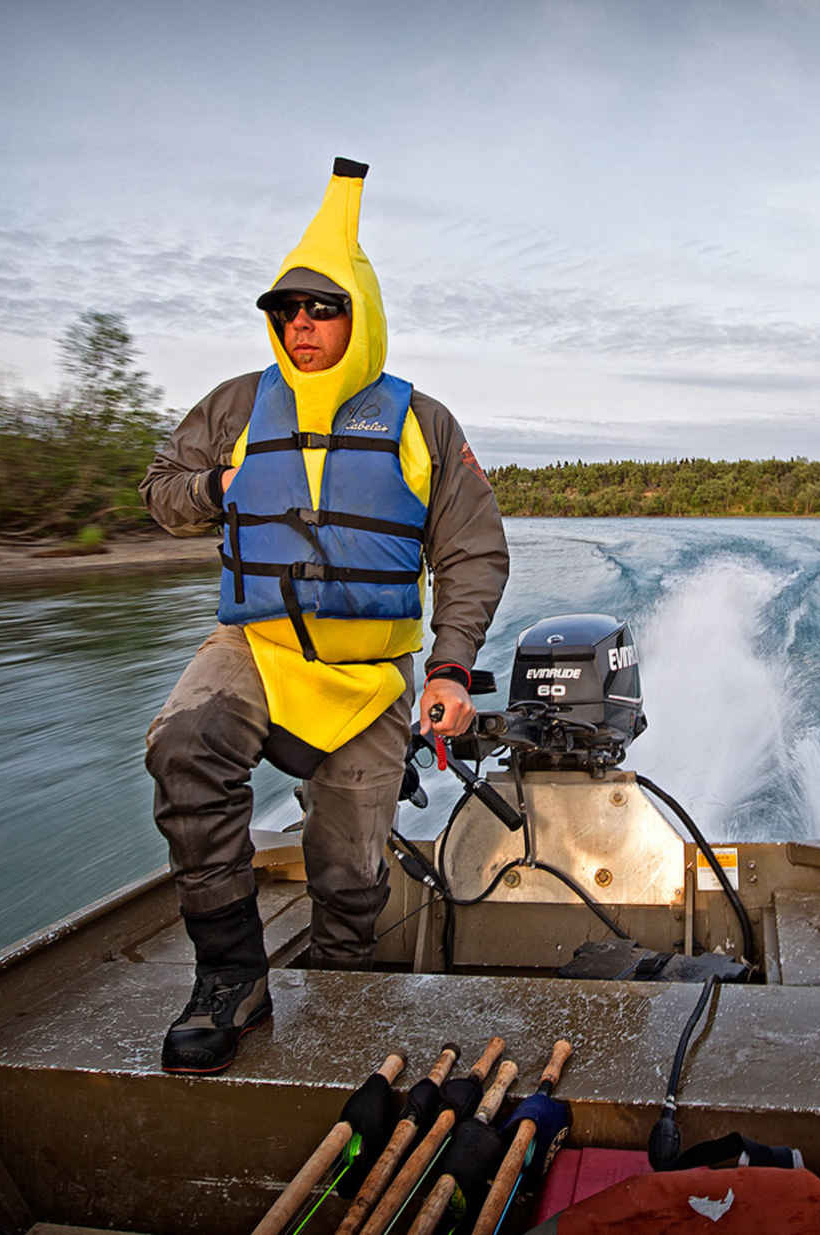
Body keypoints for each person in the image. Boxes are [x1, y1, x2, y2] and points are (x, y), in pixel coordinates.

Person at [138, 158, 508, 1074]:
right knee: (185, 744)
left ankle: (343, 985)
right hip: (255, 648)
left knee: (349, 874)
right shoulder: (232, 407)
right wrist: (216, 484)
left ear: (359, 313)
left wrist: (451, 669)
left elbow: (472, 551)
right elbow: (159, 492)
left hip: (367, 675)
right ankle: (231, 978)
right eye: (286, 310)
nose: (301, 324)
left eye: (321, 306)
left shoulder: (424, 422)